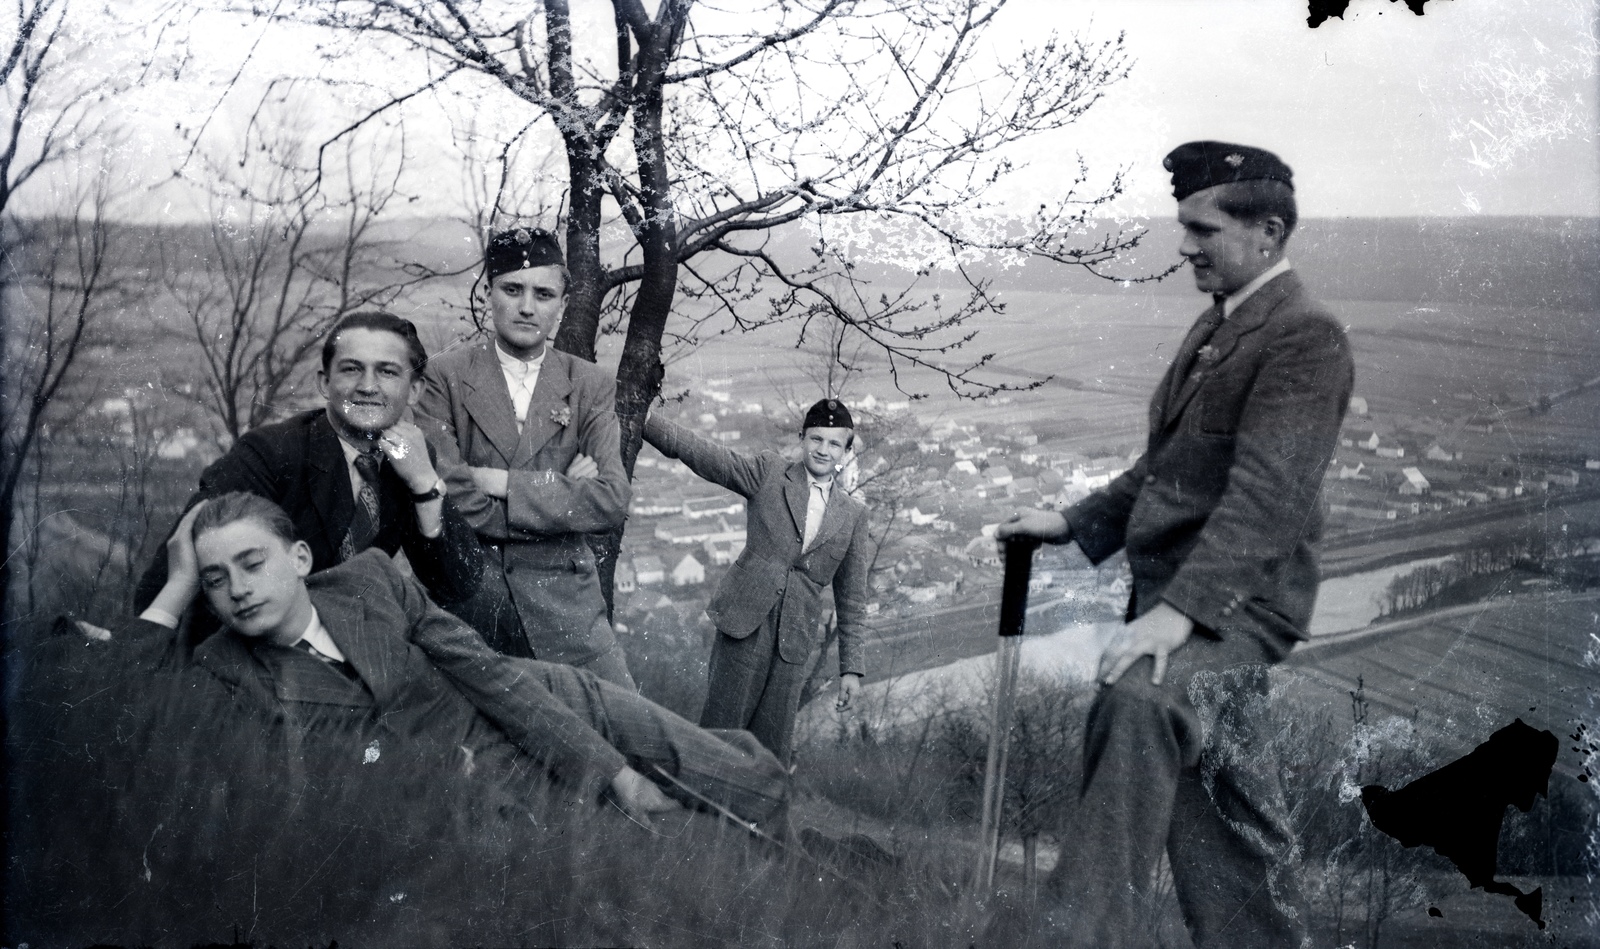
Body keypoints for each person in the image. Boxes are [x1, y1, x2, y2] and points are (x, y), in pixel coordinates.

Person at [996, 141, 1353, 948]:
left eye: (1202, 228)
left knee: (1138, 704)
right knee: (1221, 809)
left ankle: (1072, 937)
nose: (1184, 245)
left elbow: (1266, 500)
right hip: (1184, 602)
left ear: (1267, 231)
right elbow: (1168, 470)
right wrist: (1076, 522)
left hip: (1236, 608)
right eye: (1183, 225)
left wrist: (1176, 617)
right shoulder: (1221, 323)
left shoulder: (1303, 336)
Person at [133, 491, 789, 828]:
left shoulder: (367, 579)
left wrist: (612, 771)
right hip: (467, 797)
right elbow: (110, 706)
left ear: (300, 559)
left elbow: (486, 670)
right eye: (215, 579)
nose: (240, 588)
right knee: (678, 846)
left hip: (531, 702)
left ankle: (804, 814)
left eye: (252, 563)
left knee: (702, 768)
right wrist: (175, 586)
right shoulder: (224, 670)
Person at [134, 312, 484, 643]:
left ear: (416, 390)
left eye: (388, 372)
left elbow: (459, 584)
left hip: (340, 650)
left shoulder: (409, 457)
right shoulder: (270, 453)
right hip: (252, 655)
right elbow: (166, 578)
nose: (367, 386)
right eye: (351, 369)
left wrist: (425, 485)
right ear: (324, 382)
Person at [418, 228, 634, 688]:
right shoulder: (445, 376)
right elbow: (446, 492)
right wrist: (563, 499)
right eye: (512, 289)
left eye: (544, 293)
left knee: (621, 731)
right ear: (489, 293)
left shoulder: (590, 384)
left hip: (567, 606)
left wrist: (495, 481)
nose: (527, 307)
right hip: (474, 595)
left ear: (561, 303)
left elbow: (611, 498)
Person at [641, 398, 873, 765]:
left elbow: (852, 599)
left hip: (793, 642)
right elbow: (708, 456)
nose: (823, 450)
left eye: (833, 443)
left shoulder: (853, 516)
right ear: (802, 439)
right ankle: (704, 810)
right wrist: (645, 419)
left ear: (846, 450)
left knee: (771, 748)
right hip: (744, 623)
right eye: (816, 439)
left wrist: (851, 670)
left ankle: (752, 821)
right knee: (721, 731)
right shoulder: (769, 473)